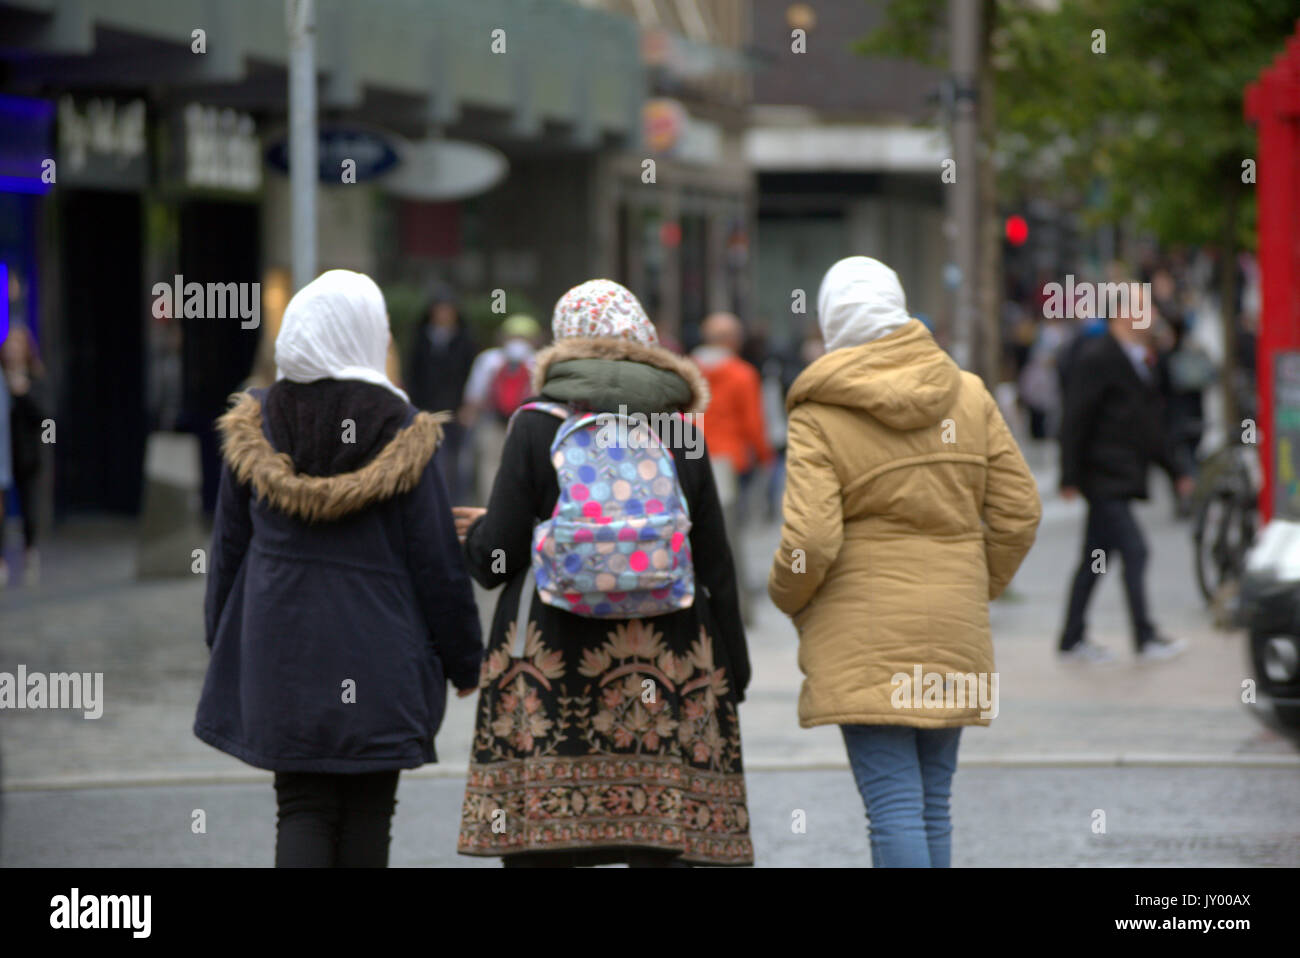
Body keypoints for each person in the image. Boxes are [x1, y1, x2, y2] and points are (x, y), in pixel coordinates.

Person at [453, 279, 753, 867]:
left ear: (564, 343)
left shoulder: (535, 424)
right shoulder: (679, 430)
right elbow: (714, 562)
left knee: (544, 844)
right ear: (644, 340)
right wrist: (732, 669)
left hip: (549, 654)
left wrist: (480, 534)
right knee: (655, 836)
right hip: (666, 655)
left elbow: (497, 562)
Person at [194, 269, 483, 868]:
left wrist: (223, 638)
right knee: (370, 808)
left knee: (299, 804)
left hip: (281, 643)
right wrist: (463, 659)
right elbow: (436, 561)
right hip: (378, 649)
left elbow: (227, 548)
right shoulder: (405, 429)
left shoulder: (258, 421)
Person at [768, 256, 1040, 868]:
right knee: (933, 803)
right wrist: (977, 582)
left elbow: (810, 539)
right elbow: (1020, 512)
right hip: (954, 624)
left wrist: (787, 595)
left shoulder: (821, 410)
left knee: (892, 803)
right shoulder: (968, 393)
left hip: (864, 632)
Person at [1057, 283, 1195, 664]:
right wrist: (1068, 475)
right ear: (1122, 315)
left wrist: (1175, 470)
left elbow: (1152, 426)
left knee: (1095, 558)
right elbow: (1075, 419)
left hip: (1121, 475)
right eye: (1143, 308)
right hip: (1103, 477)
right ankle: (1144, 635)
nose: (1152, 316)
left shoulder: (1141, 359)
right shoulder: (1097, 358)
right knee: (1135, 550)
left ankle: (1071, 638)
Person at [690, 312, 774, 620]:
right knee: (728, 538)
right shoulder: (741, 374)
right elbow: (753, 423)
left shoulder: (688, 370)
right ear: (731, 340)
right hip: (726, 460)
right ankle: (737, 608)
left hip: (689, 455)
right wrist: (766, 457)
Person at [403, 284, 477, 504]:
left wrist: (468, 406)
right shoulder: (421, 339)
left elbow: (471, 374)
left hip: (456, 409)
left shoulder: (465, 340)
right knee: (427, 457)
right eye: (439, 309)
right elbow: (412, 374)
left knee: (456, 461)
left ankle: (453, 503)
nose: (443, 314)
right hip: (426, 408)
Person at [462, 313, 542, 505]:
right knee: (525, 469)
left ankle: (489, 511)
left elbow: (474, 395)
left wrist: (469, 415)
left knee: (490, 468)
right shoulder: (540, 361)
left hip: (492, 423)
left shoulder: (488, 359)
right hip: (526, 424)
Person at [2, 324, 50, 585]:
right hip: (2, 455)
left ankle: (30, 553)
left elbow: (44, 418)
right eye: (9, 347)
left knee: (29, 508)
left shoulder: (34, 378)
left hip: (27, 456)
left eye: (17, 347)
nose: (12, 352)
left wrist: (24, 393)